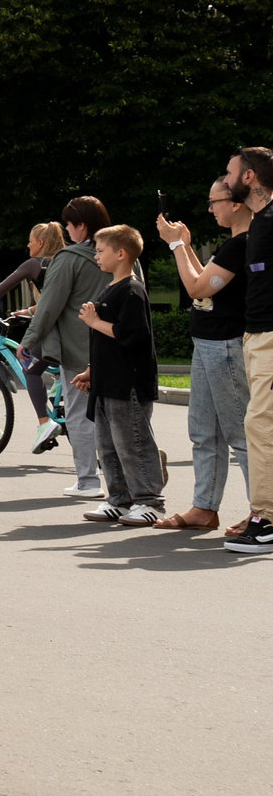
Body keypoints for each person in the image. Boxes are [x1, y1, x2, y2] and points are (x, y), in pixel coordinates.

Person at [157, 182, 252, 534]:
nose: (211, 209)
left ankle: (262, 512)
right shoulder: (232, 246)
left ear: (238, 204)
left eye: (215, 202)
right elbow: (202, 279)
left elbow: (196, 288)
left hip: (225, 345)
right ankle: (204, 507)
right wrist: (183, 245)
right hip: (210, 343)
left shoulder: (242, 244)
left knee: (240, 433)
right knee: (204, 432)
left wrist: (177, 244)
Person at [21, 198, 113, 498]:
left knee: (79, 414)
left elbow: (49, 305)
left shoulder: (68, 258)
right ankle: (127, 484)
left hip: (78, 346)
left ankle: (88, 481)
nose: (68, 230)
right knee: (119, 414)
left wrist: (30, 339)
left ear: (81, 226)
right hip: (118, 343)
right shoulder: (123, 251)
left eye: (70, 225)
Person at [74, 225, 163, 525]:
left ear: (121, 253)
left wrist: (94, 321)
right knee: (108, 445)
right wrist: (91, 370)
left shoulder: (132, 291)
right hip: (107, 381)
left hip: (129, 383)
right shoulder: (110, 287)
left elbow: (130, 335)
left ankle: (150, 500)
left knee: (132, 443)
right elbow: (104, 342)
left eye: (101, 251)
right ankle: (120, 499)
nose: (96, 256)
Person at [0, 223, 65, 434]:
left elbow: (0, 289)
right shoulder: (65, 260)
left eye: (30, 240)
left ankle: (44, 423)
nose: (27, 245)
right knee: (49, 363)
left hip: (56, 332)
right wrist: (28, 310)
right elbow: (57, 299)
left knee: (29, 367)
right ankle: (59, 381)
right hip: (77, 328)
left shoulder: (35, 264)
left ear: (41, 242)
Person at [226, 146, 273, 557]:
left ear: (249, 178)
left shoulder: (272, 220)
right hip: (257, 336)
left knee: (260, 426)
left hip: (270, 336)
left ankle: (267, 520)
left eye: (229, 173)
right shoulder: (260, 221)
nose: (225, 180)